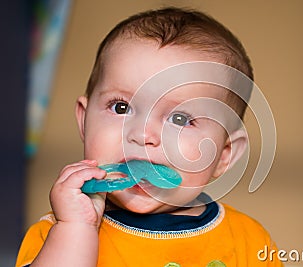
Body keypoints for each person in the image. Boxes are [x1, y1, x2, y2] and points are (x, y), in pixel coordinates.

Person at [16, 7, 282, 267]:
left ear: (224, 155)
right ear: (85, 120)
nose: (143, 135)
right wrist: (76, 229)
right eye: (121, 107)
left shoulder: (248, 240)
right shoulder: (57, 233)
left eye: (180, 119)